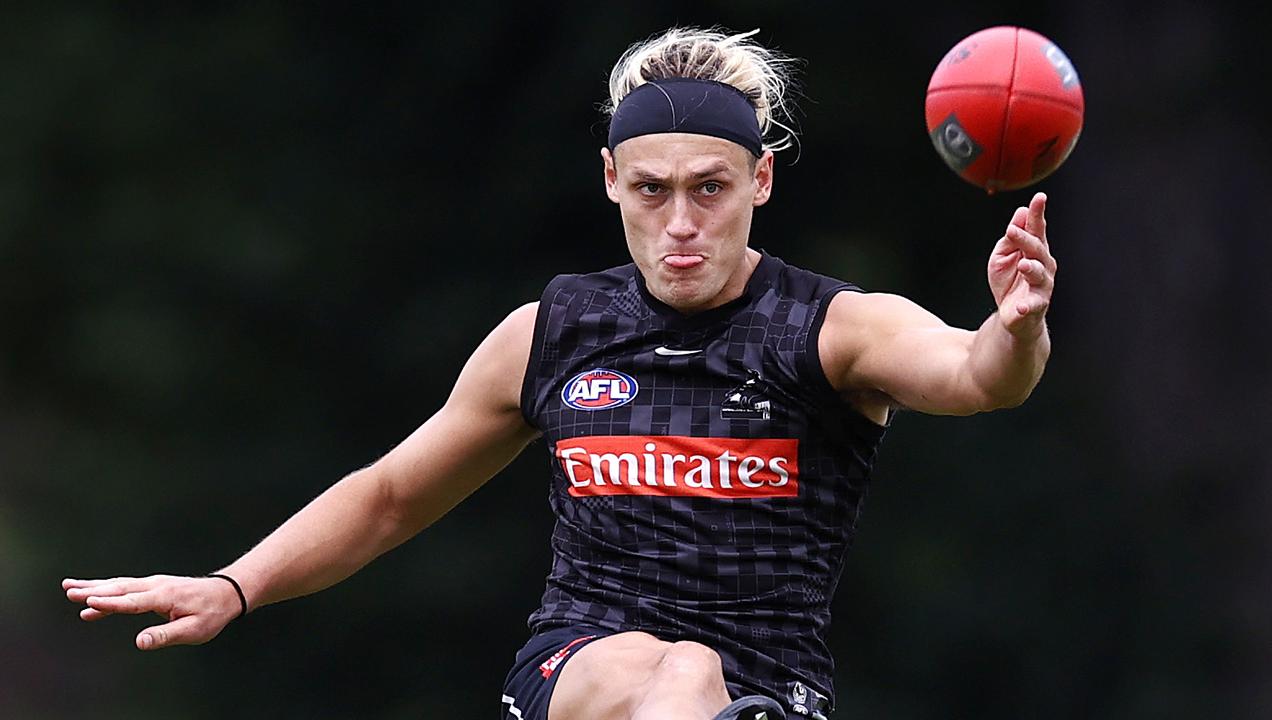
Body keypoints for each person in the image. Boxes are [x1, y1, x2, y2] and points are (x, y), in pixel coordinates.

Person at [63, 27, 1056, 720]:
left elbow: (978, 377)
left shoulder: (831, 328)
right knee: (669, 668)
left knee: (696, 675)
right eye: (652, 190)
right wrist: (234, 588)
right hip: (573, 674)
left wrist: (1015, 324)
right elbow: (389, 497)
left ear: (758, 180)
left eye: (709, 189)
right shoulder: (553, 332)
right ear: (610, 180)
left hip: (772, 690)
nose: (679, 225)